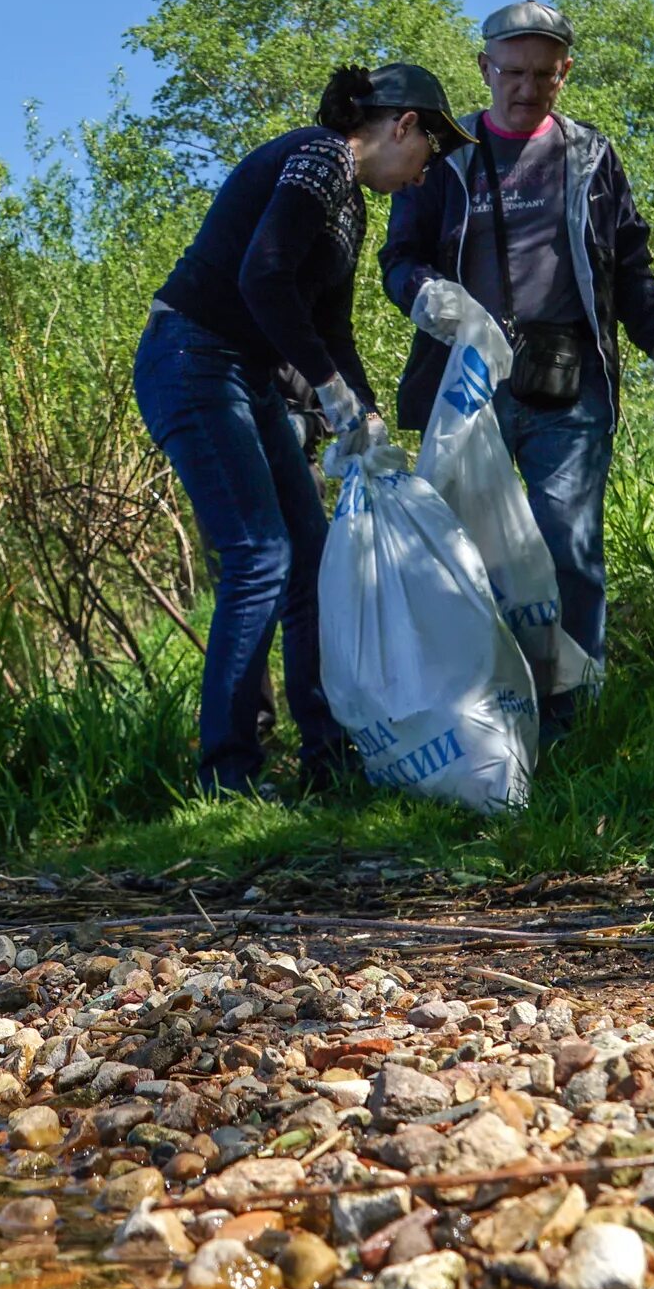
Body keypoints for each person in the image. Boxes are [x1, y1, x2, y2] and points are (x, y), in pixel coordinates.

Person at [133, 62, 467, 796]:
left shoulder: (351, 206)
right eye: (427, 157)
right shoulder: (319, 157)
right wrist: (329, 392)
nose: (422, 178)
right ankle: (227, 776)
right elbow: (263, 275)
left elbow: (331, 328)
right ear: (400, 125)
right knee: (260, 554)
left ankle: (328, 763)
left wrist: (367, 410)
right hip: (190, 358)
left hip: (241, 373)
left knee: (311, 558)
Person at [380, 0, 654, 728]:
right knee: (464, 557)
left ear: (565, 73)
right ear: (484, 68)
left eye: (543, 75)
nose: (525, 87)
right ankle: (477, 719)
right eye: (512, 72)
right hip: (465, 381)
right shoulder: (443, 156)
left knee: (568, 545)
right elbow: (399, 258)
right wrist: (426, 297)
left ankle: (575, 720)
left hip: (569, 377)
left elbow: (632, 266)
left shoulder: (591, 155)